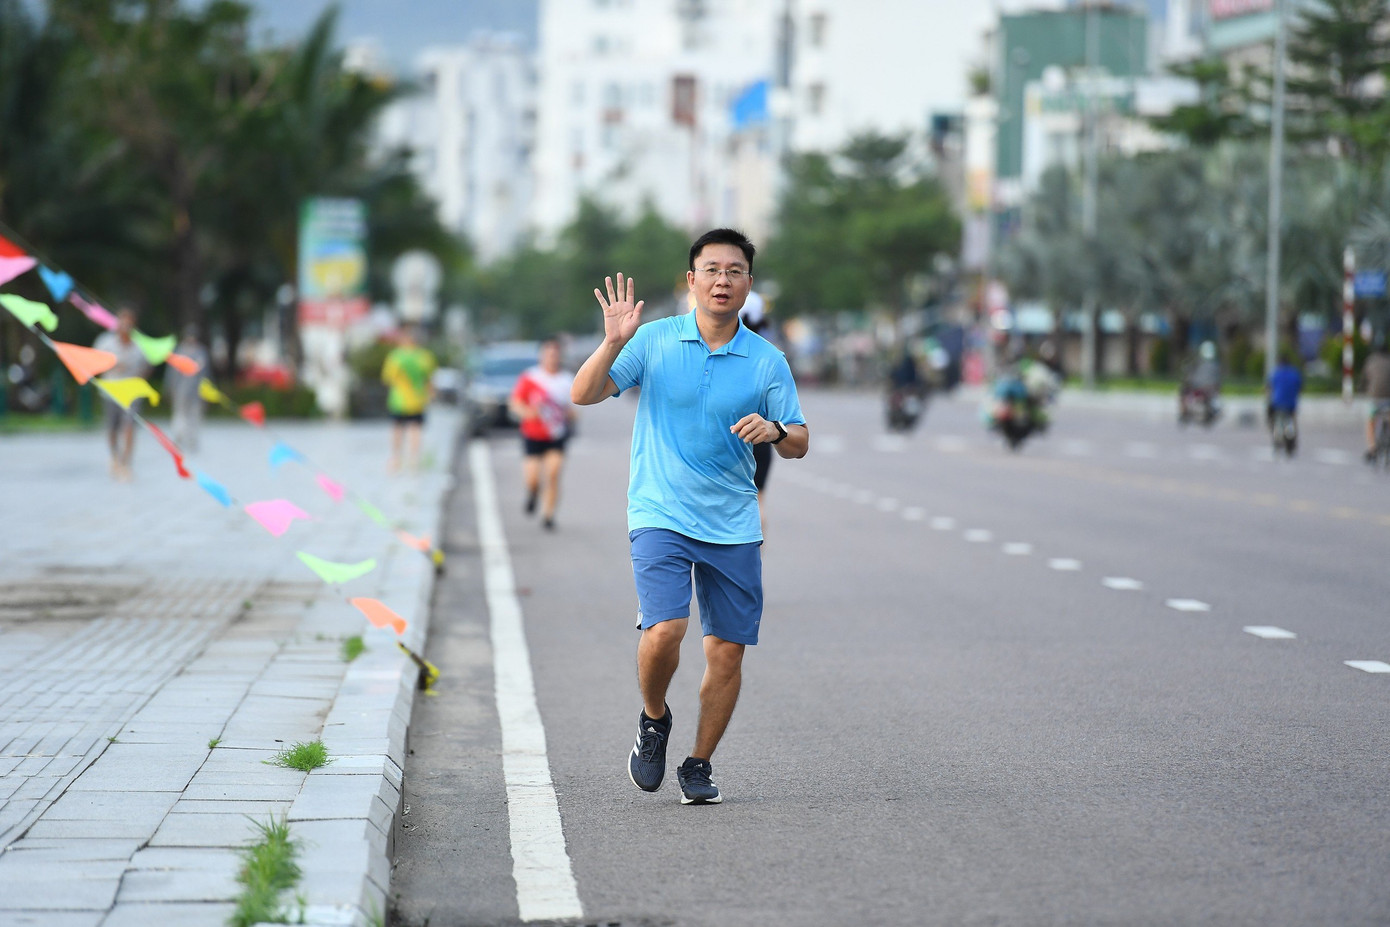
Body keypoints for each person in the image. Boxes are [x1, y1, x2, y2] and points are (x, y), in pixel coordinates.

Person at [571, 228, 809, 805]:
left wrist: (775, 431)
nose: (722, 280)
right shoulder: (652, 341)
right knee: (666, 630)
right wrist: (610, 343)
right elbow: (583, 393)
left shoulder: (766, 361)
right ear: (691, 280)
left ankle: (698, 763)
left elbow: (799, 439)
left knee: (726, 652)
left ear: (748, 285)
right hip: (659, 510)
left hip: (731, 519)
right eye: (711, 270)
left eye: (734, 271)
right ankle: (654, 718)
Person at [509, 337, 576, 530]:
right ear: (541, 356)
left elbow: (574, 407)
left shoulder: (566, 380)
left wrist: (569, 415)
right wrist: (528, 413)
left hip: (556, 434)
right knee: (533, 478)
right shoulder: (530, 377)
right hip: (532, 434)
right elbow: (515, 403)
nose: (552, 358)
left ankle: (548, 515)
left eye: (555, 354)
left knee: (554, 474)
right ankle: (532, 493)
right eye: (548, 354)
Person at [93, 308, 149, 481]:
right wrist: (113, 365)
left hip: (132, 392)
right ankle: (115, 457)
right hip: (111, 391)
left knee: (129, 426)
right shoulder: (105, 342)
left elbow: (147, 366)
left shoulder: (139, 345)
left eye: (129, 322)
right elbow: (95, 362)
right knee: (112, 428)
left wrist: (141, 374)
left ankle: (126, 462)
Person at [381, 324, 437, 472]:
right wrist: (431, 395)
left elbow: (387, 379)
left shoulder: (396, 357)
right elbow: (429, 379)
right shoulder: (424, 357)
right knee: (415, 429)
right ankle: (414, 460)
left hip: (398, 400)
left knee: (397, 430)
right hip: (418, 400)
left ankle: (396, 459)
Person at [165, 325, 209, 451]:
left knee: (195, 416)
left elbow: (206, 374)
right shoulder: (179, 351)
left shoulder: (201, 352)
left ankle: (192, 439)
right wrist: (169, 388)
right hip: (180, 389)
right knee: (179, 414)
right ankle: (178, 438)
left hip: (197, 390)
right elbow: (171, 373)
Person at [1363, 335, 1390, 461]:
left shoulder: (1371, 361)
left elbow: (1364, 380)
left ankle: (1372, 449)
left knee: (1371, 422)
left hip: (1376, 400)